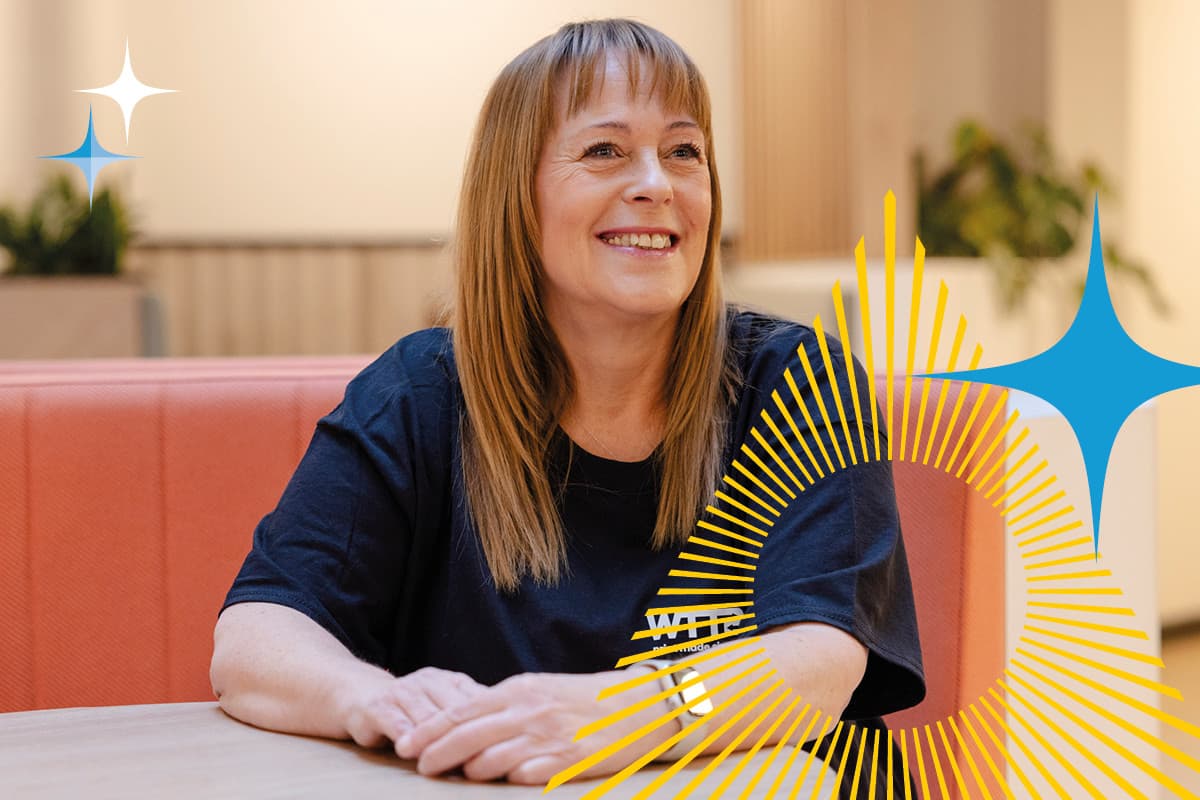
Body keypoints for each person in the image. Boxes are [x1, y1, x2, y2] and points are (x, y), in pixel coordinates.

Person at [210, 18, 923, 794]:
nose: (657, 182)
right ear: (516, 195)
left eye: (685, 151)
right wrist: (373, 698)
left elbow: (819, 664)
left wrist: (618, 716)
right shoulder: (423, 394)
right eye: (605, 150)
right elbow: (254, 639)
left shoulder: (798, 382)